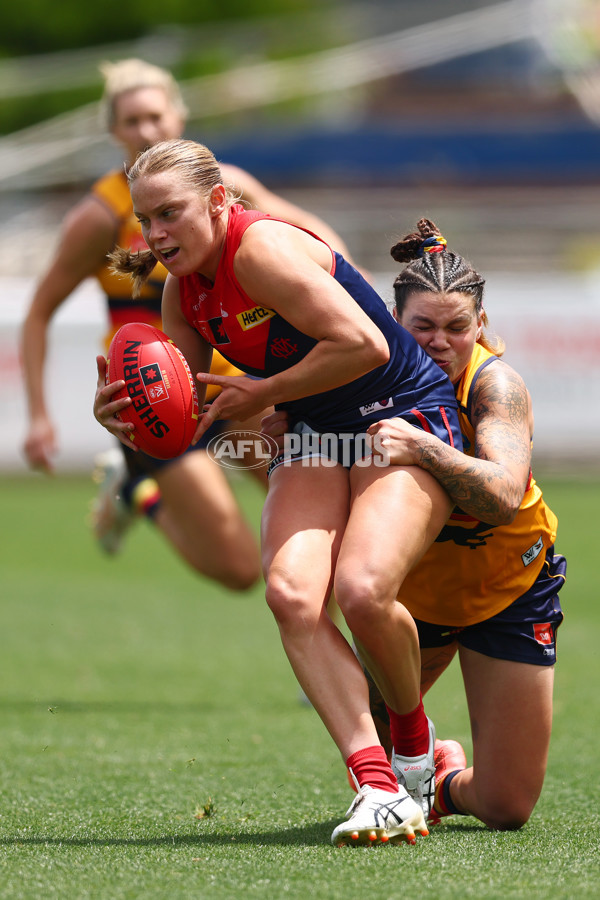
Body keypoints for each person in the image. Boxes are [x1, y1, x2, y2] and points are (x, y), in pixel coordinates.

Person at [93, 138, 465, 847]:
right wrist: (127, 421)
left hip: (404, 418)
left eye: (170, 213)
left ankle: (415, 753)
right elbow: (188, 420)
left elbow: (366, 345)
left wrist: (264, 393)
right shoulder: (183, 291)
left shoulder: (258, 250)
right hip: (318, 431)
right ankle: (377, 786)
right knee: (292, 595)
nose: (157, 234)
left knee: (360, 589)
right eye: (146, 220)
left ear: (219, 202)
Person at [20, 59, 356, 589]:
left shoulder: (225, 186)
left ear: (178, 117)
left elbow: (322, 242)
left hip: (237, 382)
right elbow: (39, 311)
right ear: (114, 131)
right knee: (241, 570)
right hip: (157, 396)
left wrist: (334, 288)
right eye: (131, 121)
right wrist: (39, 416)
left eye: (155, 115)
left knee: (323, 540)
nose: (146, 130)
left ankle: (333, 665)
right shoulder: (100, 216)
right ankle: (138, 495)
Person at [360, 218, 566, 831]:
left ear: (481, 327)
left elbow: (502, 494)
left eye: (456, 327)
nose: (439, 341)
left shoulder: (496, 384)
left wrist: (422, 448)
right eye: (421, 326)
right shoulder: (358, 382)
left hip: (509, 587)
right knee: (385, 774)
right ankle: (419, 763)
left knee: (506, 808)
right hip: (411, 603)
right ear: (395, 324)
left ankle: (446, 780)